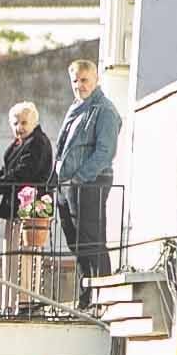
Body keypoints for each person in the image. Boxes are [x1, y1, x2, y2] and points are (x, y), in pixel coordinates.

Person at [52, 55, 120, 288]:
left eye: (84, 80)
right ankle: (86, 295)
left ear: (96, 79)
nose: (79, 85)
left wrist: (78, 179)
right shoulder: (76, 108)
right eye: (75, 81)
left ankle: (101, 293)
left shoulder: (105, 110)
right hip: (68, 186)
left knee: (92, 241)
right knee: (77, 243)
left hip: (90, 183)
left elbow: (105, 152)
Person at [0, 99, 54, 216]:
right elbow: (7, 169)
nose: (19, 127)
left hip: (31, 207)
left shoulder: (37, 142)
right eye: (15, 123)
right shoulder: (21, 142)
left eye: (24, 123)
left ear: (34, 122)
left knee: (20, 235)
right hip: (15, 203)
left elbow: (24, 173)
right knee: (10, 234)